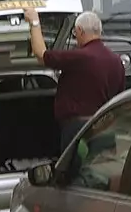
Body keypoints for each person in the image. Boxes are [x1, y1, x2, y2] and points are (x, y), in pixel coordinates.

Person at [29, 10, 125, 153]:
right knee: (101, 170)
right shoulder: (116, 61)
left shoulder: (79, 57)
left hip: (78, 131)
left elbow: (41, 55)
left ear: (79, 31)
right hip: (105, 128)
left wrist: (34, 22)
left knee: (76, 172)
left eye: (74, 32)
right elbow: (119, 99)